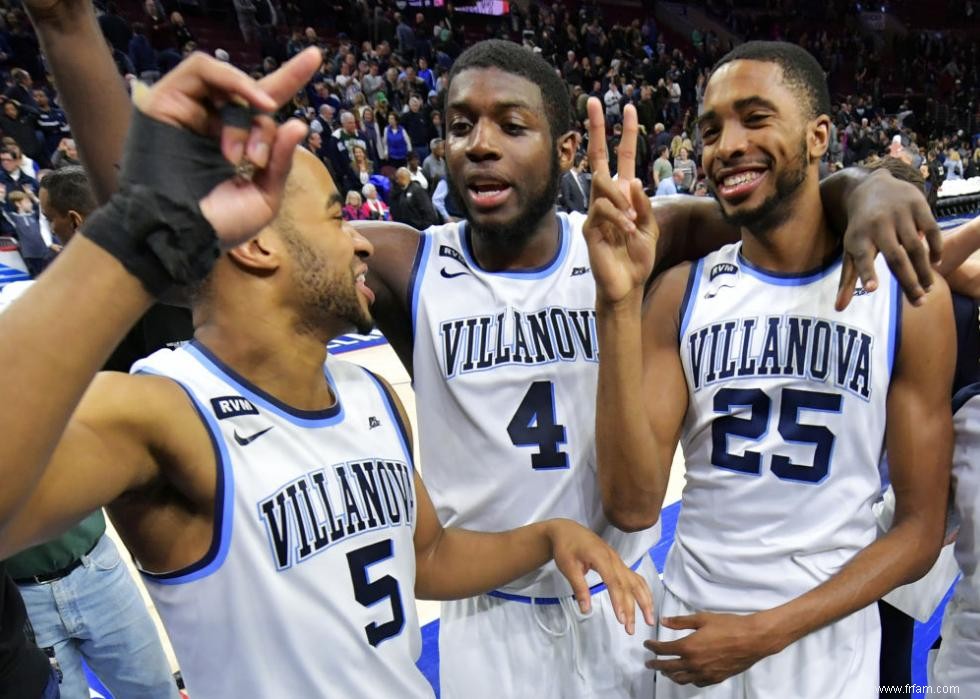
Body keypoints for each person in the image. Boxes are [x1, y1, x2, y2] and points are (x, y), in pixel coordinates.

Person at [28, 11, 942, 695]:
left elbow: (774, 200)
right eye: (460, 126)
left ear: (564, 148)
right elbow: (201, 250)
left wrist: (870, 189)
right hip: (484, 614)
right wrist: (71, 35)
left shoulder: (625, 238)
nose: (480, 145)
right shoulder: (400, 260)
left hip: (620, 599)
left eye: (511, 125)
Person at [0, 48, 652, 699]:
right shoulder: (164, 410)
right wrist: (135, 234)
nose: (364, 241)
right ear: (255, 242)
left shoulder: (370, 398)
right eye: (340, 218)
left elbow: (427, 556)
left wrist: (549, 532)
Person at [586, 41, 953, 697]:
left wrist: (766, 630)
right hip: (691, 639)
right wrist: (617, 304)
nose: (726, 144)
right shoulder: (679, 291)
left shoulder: (909, 298)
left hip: (823, 651)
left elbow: (920, 531)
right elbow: (636, 503)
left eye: (755, 118)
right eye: (711, 129)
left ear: (818, 137)